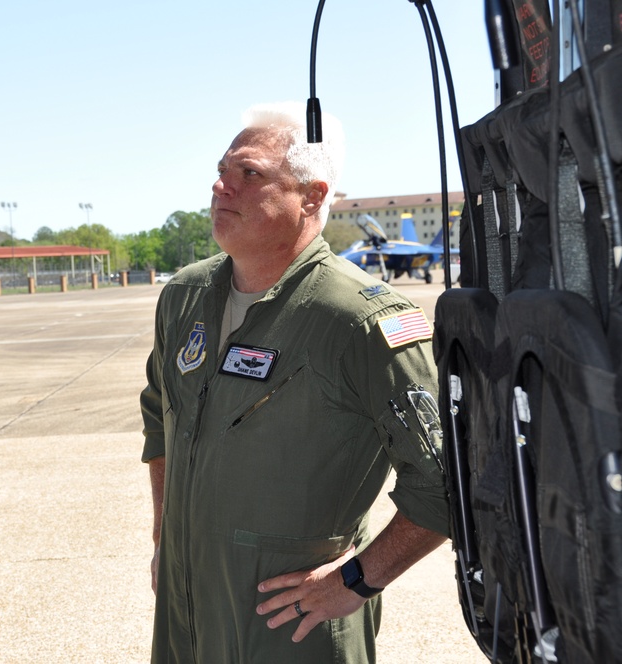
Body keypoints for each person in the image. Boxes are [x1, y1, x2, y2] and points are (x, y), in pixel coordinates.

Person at [140, 101, 450, 663]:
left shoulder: (358, 320)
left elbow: (446, 480)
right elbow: (158, 418)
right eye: (221, 170)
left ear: (310, 196)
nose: (220, 186)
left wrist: (356, 580)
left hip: (289, 632)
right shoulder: (184, 297)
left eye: (248, 174)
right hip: (186, 618)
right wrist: (166, 536)